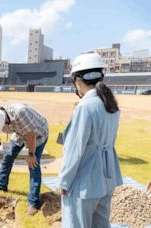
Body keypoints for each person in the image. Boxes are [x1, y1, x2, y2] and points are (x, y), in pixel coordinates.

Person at [57, 52, 122, 228]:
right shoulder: (111, 105)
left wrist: (63, 182)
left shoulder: (85, 107)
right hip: (106, 180)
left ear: (78, 82)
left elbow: (75, 150)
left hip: (83, 183)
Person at [0, 104, 49, 215]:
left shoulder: (21, 113)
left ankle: (34, 203)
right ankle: (1, 186)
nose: (2, 131)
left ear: (6, 122)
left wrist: (31, 154)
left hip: (38, 134)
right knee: (8, 156)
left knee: (33, 165)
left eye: (2, 129)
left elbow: (31, 136)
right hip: (20, 133)